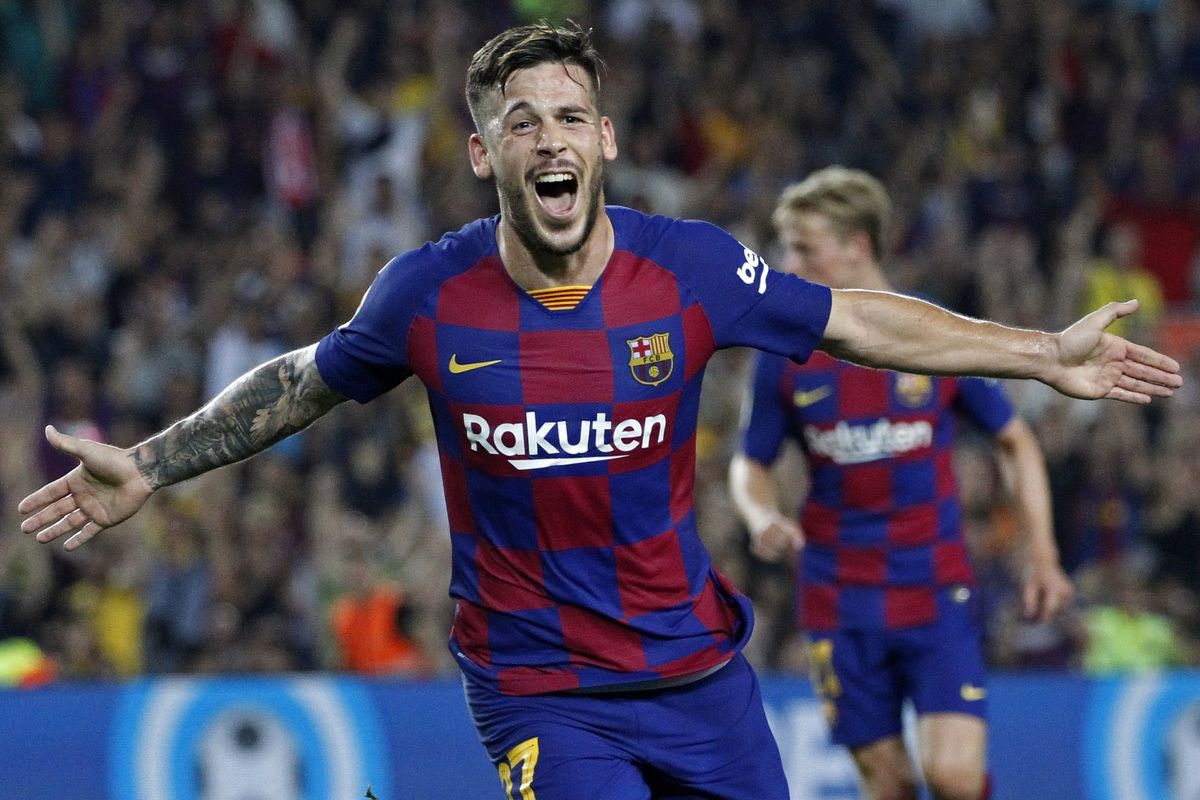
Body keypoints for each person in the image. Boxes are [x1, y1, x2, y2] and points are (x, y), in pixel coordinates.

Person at [17, 23, 1179, 800]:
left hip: (696, 672)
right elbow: (299, 382)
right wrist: (152, 463)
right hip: (540, 685)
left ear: (606, 140)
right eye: (521, 121)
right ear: (484, 153)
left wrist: (1042, 352)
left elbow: (855, 321)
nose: (550, 139)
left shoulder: (692, 269)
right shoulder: (428, 294)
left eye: (570, 116)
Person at [729, 167, 1076, 800]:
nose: (787, 265)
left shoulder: (932, 335)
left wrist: (1043, 554)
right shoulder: (783, 356)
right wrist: (761, 516)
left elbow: (1015, 440)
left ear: (856, 246)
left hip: (933, 587)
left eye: (804, 249)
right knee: (888, 785)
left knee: (953, 777)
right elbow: (749, 461)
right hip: (837, 596)